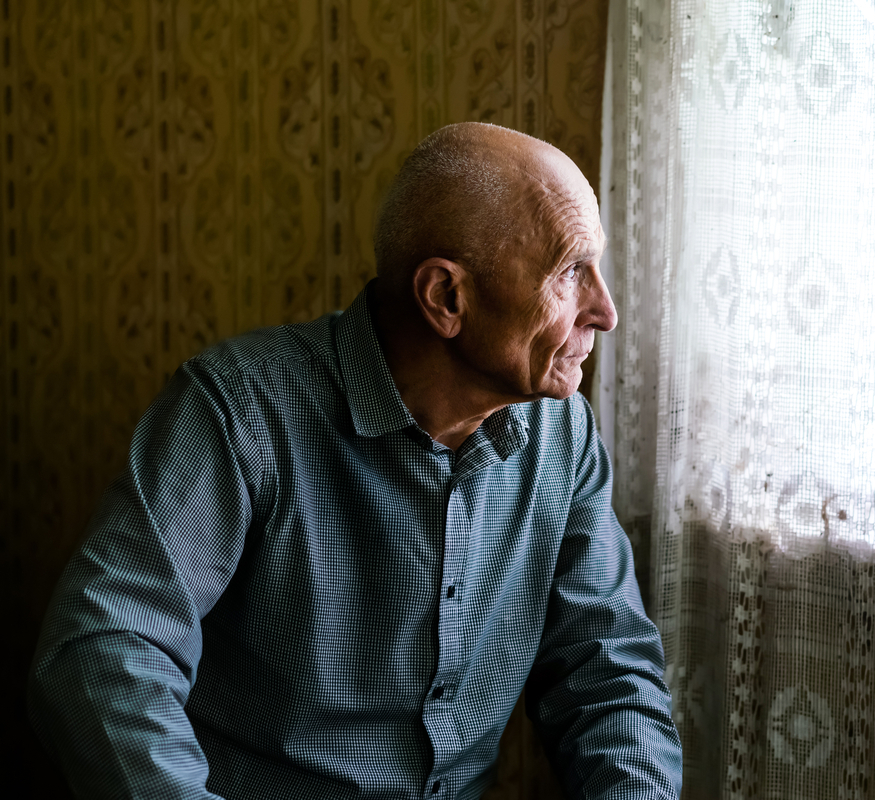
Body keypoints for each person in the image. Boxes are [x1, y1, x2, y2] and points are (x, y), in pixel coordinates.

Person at [28, 123, 683, 799]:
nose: (604, 311)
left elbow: (607, 677)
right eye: (571, 272)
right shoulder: (240, 412)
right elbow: (102, 650)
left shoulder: (562, 435)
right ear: (447, 298)